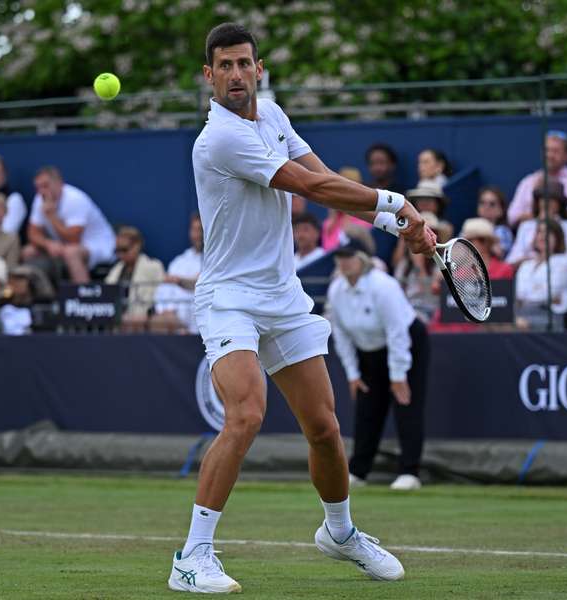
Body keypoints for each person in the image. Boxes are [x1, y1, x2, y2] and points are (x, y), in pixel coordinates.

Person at [169, 23, 436, 594]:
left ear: (258, 69)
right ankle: (191, 557)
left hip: (283, 297)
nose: (237, 75)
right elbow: (309, 190)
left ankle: (340, 532)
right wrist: (399, 203)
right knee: (246, 413)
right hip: (229, 299)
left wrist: (398, 225)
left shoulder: (273, 115)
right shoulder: (217, 139)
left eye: (246, 64)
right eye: (225, 66)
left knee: (323, 427)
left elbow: (324, 177)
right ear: (208, 76)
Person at [327, 240, 429, 491]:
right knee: (366, 410)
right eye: (340, 257)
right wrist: (352, 374)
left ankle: (409, 472)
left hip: (407, 344)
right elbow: (340, 336)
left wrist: (398, 375)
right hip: (368, 351)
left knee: (406, 405)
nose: (344, 262)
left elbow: (397, 332)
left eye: (349, 257)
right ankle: (358, 471)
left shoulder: (384, 286)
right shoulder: (336, 290)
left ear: (362, 259)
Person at [22, 166, 115, 284]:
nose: (41, 191)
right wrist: (48, 244)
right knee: (28, 251)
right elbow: (32, 234)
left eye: (45, 186)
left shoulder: (75, 199)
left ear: (59, 184)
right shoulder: (40, 199)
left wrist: (52, 217)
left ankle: (84, 297)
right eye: (38, 187)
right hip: (64, 246)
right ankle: (42, 296)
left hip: (98, 246)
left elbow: (73, 239)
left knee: (71, 252)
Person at [507, 130, 567, 227]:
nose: (550, 155)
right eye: (547, 150)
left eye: (555, 151)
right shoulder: (528, 181)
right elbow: (511, 217)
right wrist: (536, 216)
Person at [514, 219, 567, 331]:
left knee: (514, 325)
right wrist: (537, 289)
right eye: (539, 232)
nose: (543, 236)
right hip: (522, 314)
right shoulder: (526, 265)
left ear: (557, 237)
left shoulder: (563, 262)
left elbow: (550, 293)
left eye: (548, 232)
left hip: (549, 316)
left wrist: (528, 296)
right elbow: (518, 292)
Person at [150, 213, 204, 334]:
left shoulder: (215, 260)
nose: (198, 235)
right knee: (156, 321)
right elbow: (163, 291)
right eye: (194, 230)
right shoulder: (179, 261)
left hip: (200, 322)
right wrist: (167, 310)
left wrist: (180, 281)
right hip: (176, 319)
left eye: (200, 230)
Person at [105, 226, 165, 333]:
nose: (120, 254)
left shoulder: (154, 267)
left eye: (124, 250)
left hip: (144, 326)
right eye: (117, 250)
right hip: (118, 327)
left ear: (137, 246)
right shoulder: (116, 270)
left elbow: (162, 298)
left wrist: (146, 317)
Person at [505, 182, 567, 266]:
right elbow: (513, 258)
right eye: (543, 198)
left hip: (558, 269)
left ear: (559, 204)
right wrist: (530, 260)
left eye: (552, 199)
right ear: (538, 202)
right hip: (529, 270)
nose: (547, 202)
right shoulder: (526, 226)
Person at [320, 167, 373, 251]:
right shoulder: (329, 222)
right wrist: (333, 216)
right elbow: (327, 250)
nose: (346, 193)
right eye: (341, 189)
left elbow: (360, 248)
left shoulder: (366, 217)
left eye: (351, 189)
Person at [476, 186, 513, 258]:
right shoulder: (469, 227)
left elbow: (500, 255)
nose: (486, 207)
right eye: (482, 202)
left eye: (492, 204)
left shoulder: (503, 231)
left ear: (501, 210)